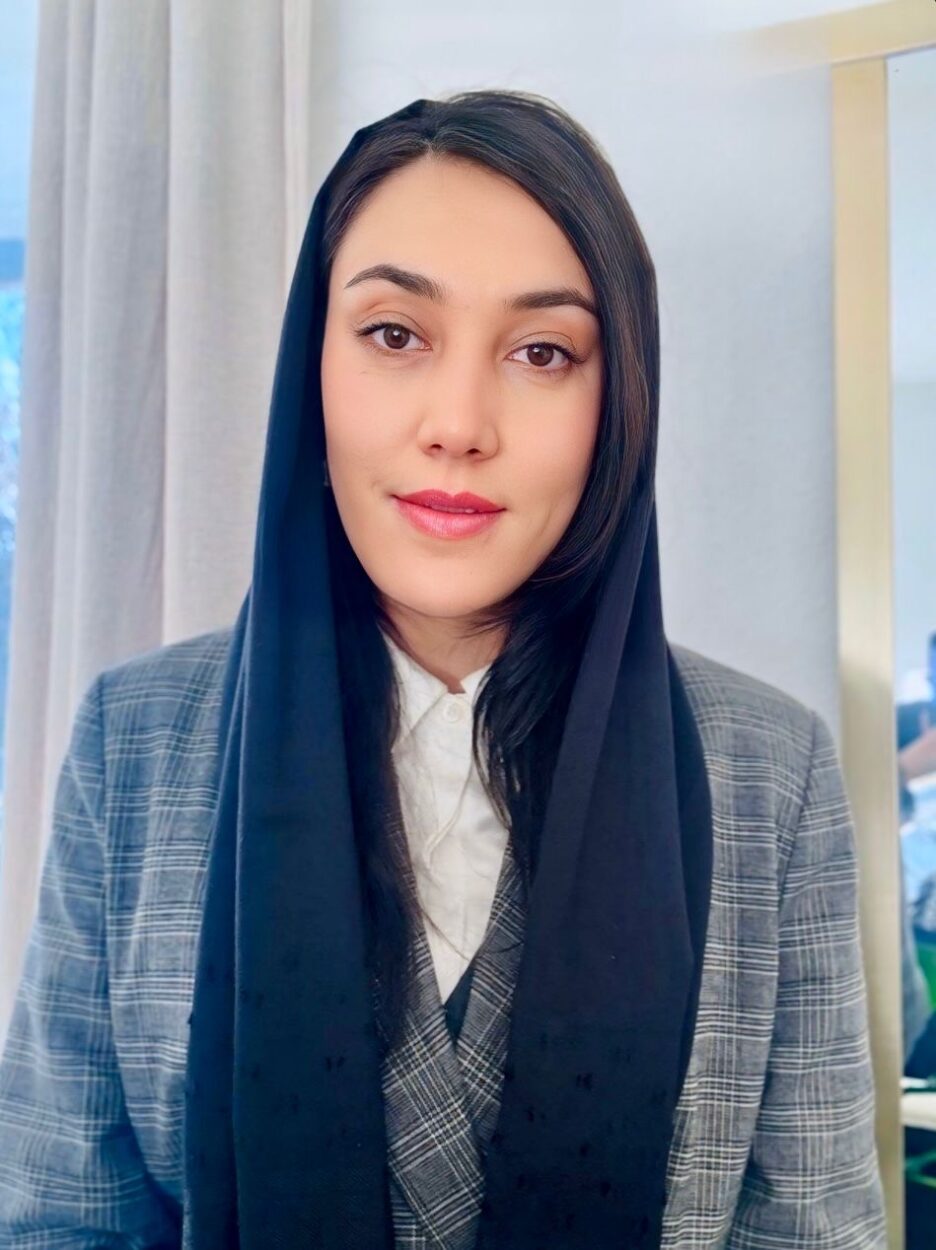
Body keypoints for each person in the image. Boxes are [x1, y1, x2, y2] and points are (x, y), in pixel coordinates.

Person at [0, 90, 886, 1249]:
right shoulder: (139, 739)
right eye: (394, 334)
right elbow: (60, 1216)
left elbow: (813, 1228)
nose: (459, 423)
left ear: (618, 400)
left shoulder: (768, 768)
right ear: (312, 368)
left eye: (542, 351)